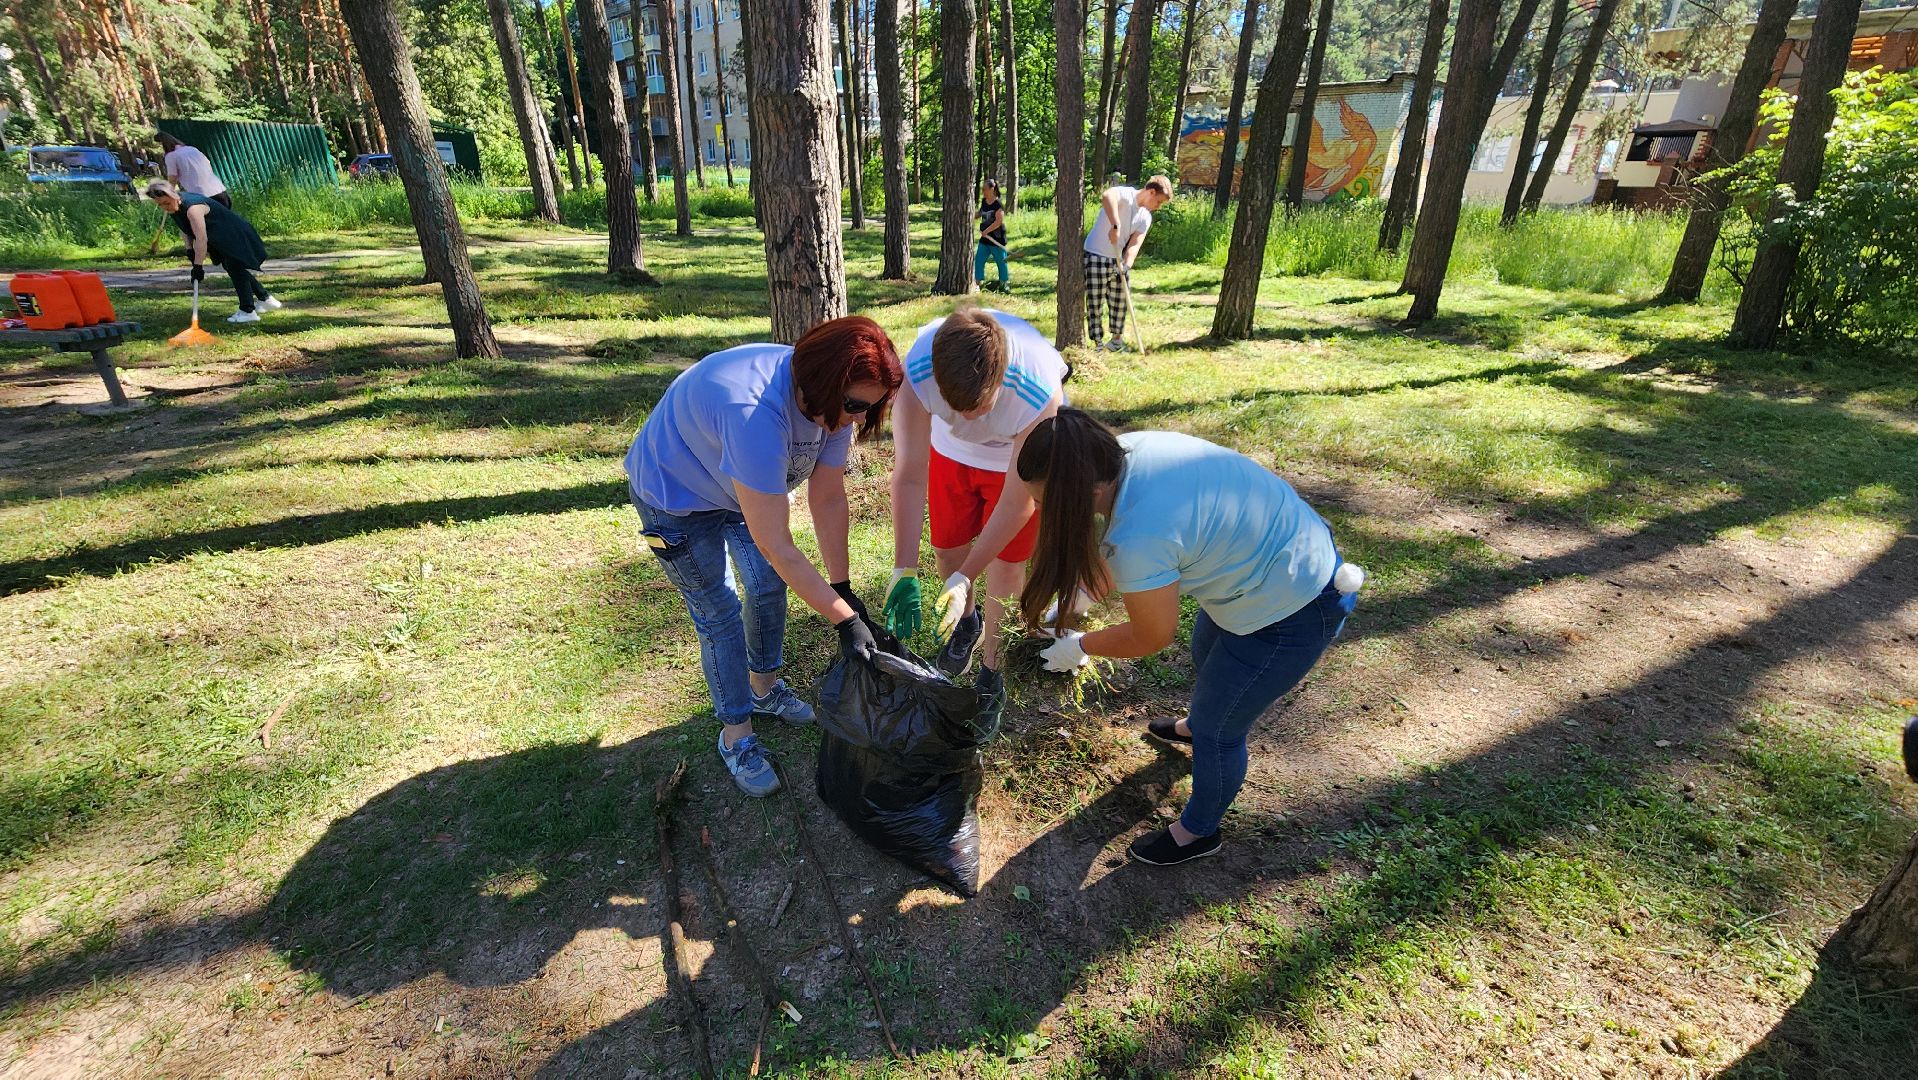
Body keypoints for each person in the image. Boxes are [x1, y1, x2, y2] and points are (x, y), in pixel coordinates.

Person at [1017, 409, 1364, 866]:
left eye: (1047, 504)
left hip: (1295, 603)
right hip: (1263, 563)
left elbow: (1152, 634)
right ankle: (1197, 725)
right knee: (1208, 657)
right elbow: (1131, 542)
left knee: (1221, 729)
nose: (1041, 512)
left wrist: (1080, 646)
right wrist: (1079, 598)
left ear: (1089, 491)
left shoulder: (1140, 535)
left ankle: (1198, 832)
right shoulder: (1127, 453)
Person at [626, 316, 903, 798]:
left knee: (769, 585)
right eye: (857, 406)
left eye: (869, 409)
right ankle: (736, 735)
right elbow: (777, 543)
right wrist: (843, 622)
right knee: (719, 614)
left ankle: (764, 688)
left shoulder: (836, 405)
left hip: (737, 488)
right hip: (677, 497)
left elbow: (829, 497)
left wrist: (842, 589)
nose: (860, 419)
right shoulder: (754, 414)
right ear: (822, 385)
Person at [881, 307, 1066, 688]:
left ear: (1001, 379)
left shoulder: (1039, 393)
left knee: (1007, 565)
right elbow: (910, 474)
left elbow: (1018, 504)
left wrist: (968, 576)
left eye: (977, 408)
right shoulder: (917, 370)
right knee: (948, 549)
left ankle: (993, 669)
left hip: (1014, 458)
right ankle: (968, 623)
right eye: (952, 408)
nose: (965, 418)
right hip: (950, 455)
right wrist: (904, 567)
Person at [146, 180, 282, 324]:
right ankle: (265, 299)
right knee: (232, 267)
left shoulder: (193, 208)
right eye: (160, 204)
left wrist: (198, 267)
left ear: (174, 195)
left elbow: (201, 238)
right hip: (220, 236)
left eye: (166, 203)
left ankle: (248, 311)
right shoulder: (174, 207)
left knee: (235, 268)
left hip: (234, 233)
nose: (164, 207)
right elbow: (184, 227)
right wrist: (189, 250)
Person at [1082, 174, 1173, 352]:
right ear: (1151, 192)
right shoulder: (1125, 194)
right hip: (1095, 254)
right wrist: (1115, 225)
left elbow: (1134, 244)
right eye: (1159, 202)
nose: (1158, 206)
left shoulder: (1145, 217)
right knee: (1095, 301)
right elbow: (1108, 196)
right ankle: (1098, 343)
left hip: (1118, 260)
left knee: (1120, 300)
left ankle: (1116, 341)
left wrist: (1127, 264)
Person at [157, 132, 230, 209]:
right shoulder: (192, 149)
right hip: (220, 190)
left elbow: (172, 178)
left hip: (203, 196)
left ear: (163, 145)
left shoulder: (171, 156)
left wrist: (169, 194)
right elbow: (208, 163)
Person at [974, 180, 1009, 293]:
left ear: (992, 189)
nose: (983, 191)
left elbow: (998, 222)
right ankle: (977, 283)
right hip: (985, 239)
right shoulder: (984, 201)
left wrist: (987, 231)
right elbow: (980, 213)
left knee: (1001, 261)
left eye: (984, 189)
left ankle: (1004, 284)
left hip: (996, 238)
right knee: (979, 259)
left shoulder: (997, 204)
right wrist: (970, 216)